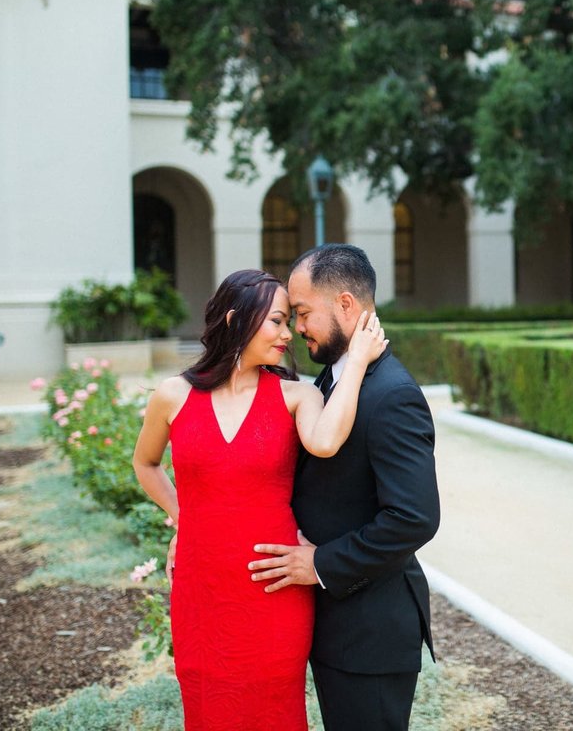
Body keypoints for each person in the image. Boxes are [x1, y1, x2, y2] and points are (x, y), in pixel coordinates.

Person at [131, 268, 386, 730]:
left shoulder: (296, 395)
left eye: (290, 321)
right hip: (201, 586)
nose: (288, 334)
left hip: (273, 586)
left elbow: (326, 442)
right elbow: (145, 465)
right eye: (277, 321)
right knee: (208, 704)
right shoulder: (172, 395)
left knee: (274, 707)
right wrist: (183, 518)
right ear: (236, 320)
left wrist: (358, 364)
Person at [247, 243, 441, 731]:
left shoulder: (392, 395)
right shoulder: (332, 381)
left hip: (370, 635)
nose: (297, 330)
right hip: (337, 627)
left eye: (304, 313)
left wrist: (320, 564)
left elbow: (414, 518)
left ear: (347, 305)